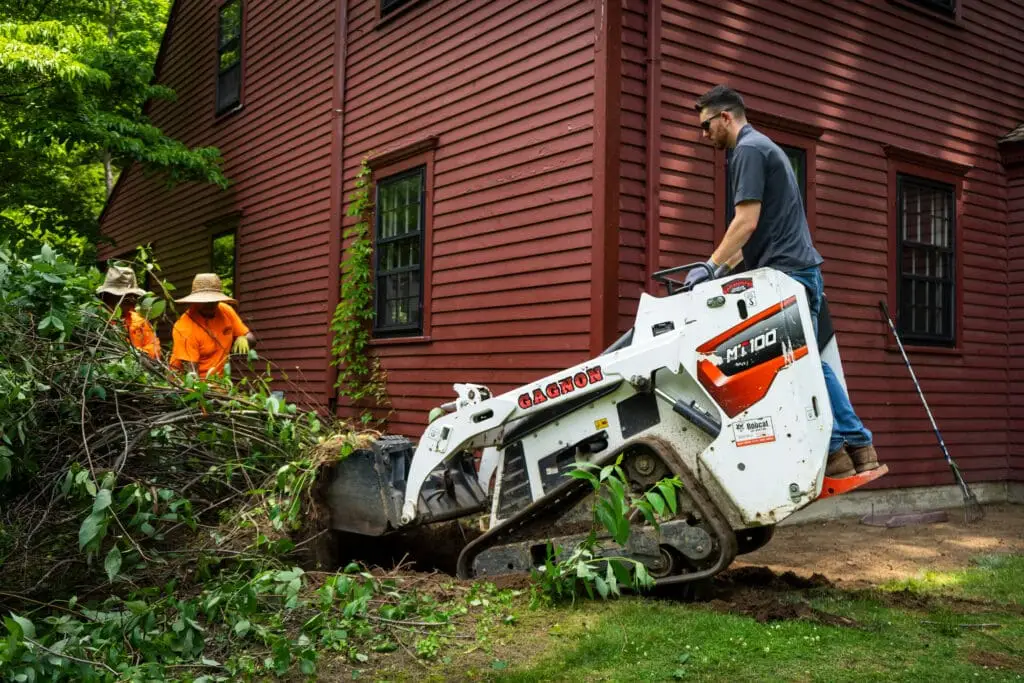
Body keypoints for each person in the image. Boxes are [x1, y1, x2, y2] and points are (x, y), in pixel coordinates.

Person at [686, 84, 880, 479]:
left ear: (726, 117)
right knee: (803, 359)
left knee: (793, 364)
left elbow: (746, 222)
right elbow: (756, 235)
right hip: (791, 270)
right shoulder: (760, 148)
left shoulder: (748, 151)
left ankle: (838, 449)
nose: (704, 136)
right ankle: (854, 447)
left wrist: (708, 265)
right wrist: (721, 271)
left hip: (787, 274)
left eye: (707, 127)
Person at [169, 273, 255, 379]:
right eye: (205, 301)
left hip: (219, 383)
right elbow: (192, 377)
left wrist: (242, 340)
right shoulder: (184, 328)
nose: (210, 304)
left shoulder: (226, 311)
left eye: (213, 300)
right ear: (195, 300)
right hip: (186, 386)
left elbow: (251, 339)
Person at [96, 265, 161, 360]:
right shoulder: (98, 320)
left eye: (133, 296)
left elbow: (155, 349)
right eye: (127, 296)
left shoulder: (139, 320)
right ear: (109, 296)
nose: (132, 300)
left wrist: (139, 354)